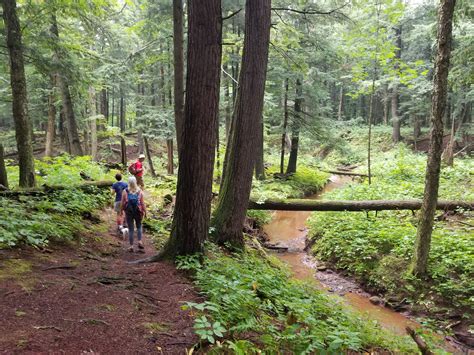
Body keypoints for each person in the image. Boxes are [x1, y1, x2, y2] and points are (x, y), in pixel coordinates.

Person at [121, 176, 147, 253]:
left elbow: (122, 203)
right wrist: (145, 212)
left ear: (128, 182)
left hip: (129, 212)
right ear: (135, 182)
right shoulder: (139, 191)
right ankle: (139, 241)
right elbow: (142, 203)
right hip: (138, 211)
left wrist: (121, 211)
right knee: (139, 226)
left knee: (131, 229)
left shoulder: (125, 191)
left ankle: (131, 246)